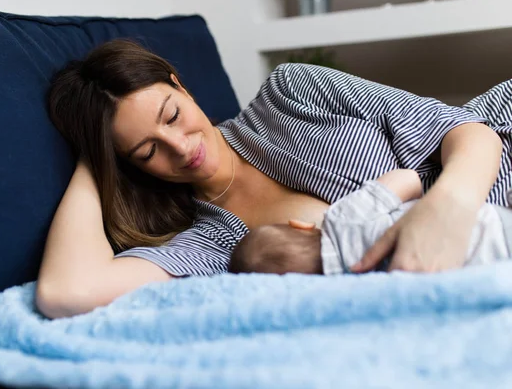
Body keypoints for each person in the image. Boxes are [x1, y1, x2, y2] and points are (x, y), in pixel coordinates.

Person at [36, 38, 512, 319]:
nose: (180, 147)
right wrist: (96, 156)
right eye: (147, 150)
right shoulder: (211, 244)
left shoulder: (289, 92)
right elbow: (66, 293)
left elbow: (469, 132)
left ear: (179, 83)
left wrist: (449, 204)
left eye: (172, 114)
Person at [227, 169, 512, 276]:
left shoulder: (346, 286)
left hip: (487, 267)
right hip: (486, 226)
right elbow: (408, 179)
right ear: (301, 225)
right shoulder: (339, 219)